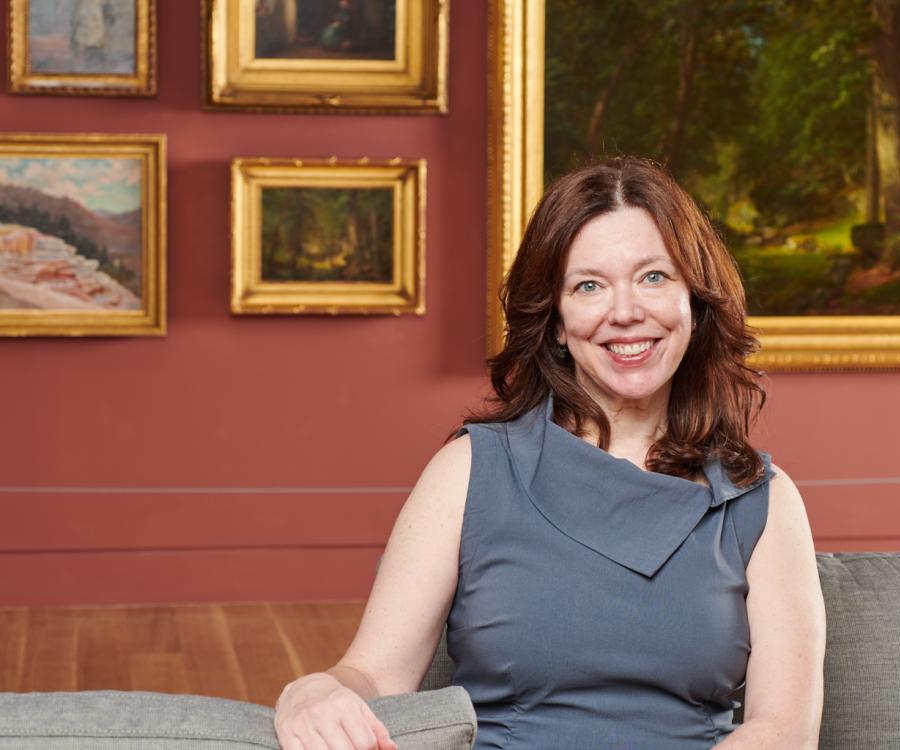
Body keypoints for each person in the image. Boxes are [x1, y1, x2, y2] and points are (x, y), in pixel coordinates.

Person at [274, 157, 826, 749]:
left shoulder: (761, 501)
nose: (625, 311)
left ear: (694, 300)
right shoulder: (469, 473)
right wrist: (307, 692)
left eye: (654, 277)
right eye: (589, 285)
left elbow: (782, 731)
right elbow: (375, 673)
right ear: (558, 322)